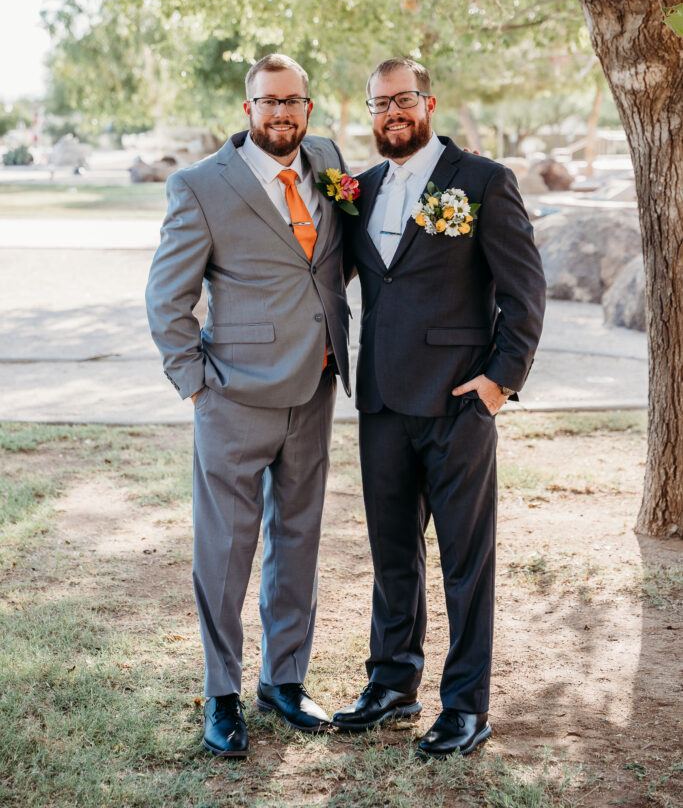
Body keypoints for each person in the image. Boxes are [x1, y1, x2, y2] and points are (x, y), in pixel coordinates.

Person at [334, 57, 545, 758]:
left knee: (463, 562)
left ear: (427, 102)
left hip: (458, 402)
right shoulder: (356, 190)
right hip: (383, 404)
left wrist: (498, 382)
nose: (391, 112)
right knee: (393, 555)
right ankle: (392, 683)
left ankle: (465, 706)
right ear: (368, 114)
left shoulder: (482, 181)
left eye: (403, 99)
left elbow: (523, 292)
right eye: (378, 103)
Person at [146, 54, 351, 757]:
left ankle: (284, 681)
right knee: (225, 552)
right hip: (234, 397)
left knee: (297, 540)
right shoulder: (201, 186)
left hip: (315, 390)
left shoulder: (326, 160)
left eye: (292, 101)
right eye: (268, 102)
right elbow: (165, 300)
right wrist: (196, 382)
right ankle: (222, 693)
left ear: (308, 108)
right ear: (247, 109)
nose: (280, 113)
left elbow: (332, 260)